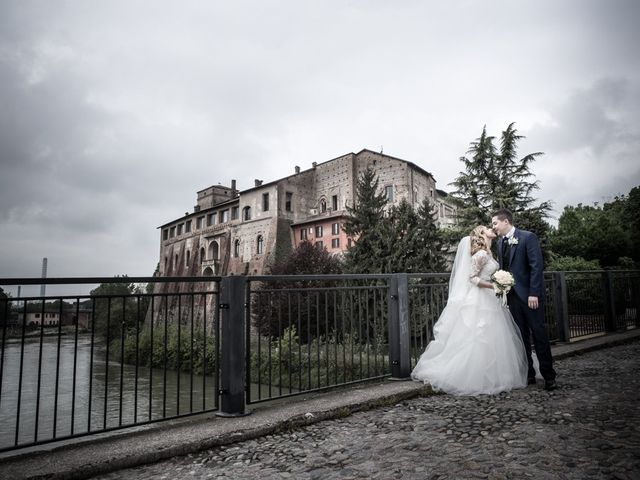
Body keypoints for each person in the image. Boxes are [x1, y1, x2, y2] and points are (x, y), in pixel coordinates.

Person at [411, 226, 528, 395]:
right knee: (477, 336)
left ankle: (493, 375)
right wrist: (494, 285)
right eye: (487, 228)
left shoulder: (489, 253)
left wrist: (498, 283)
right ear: (482, 234)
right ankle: (473, 376)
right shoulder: (480, 254)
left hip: (490, 298)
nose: (491, 228)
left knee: (492, 337)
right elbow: (472, 278)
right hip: (479, 298)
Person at [491, 208, 557, 391]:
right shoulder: (500, 243)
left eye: (495, 223)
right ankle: (528, 374)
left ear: (506, 222)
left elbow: (536, 266)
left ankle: (549, 376)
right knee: (520, 337)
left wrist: (534, 293)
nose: (493, 227)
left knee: (539, 334)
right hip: (512, 298)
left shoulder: (528, 237)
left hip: (530, 296)